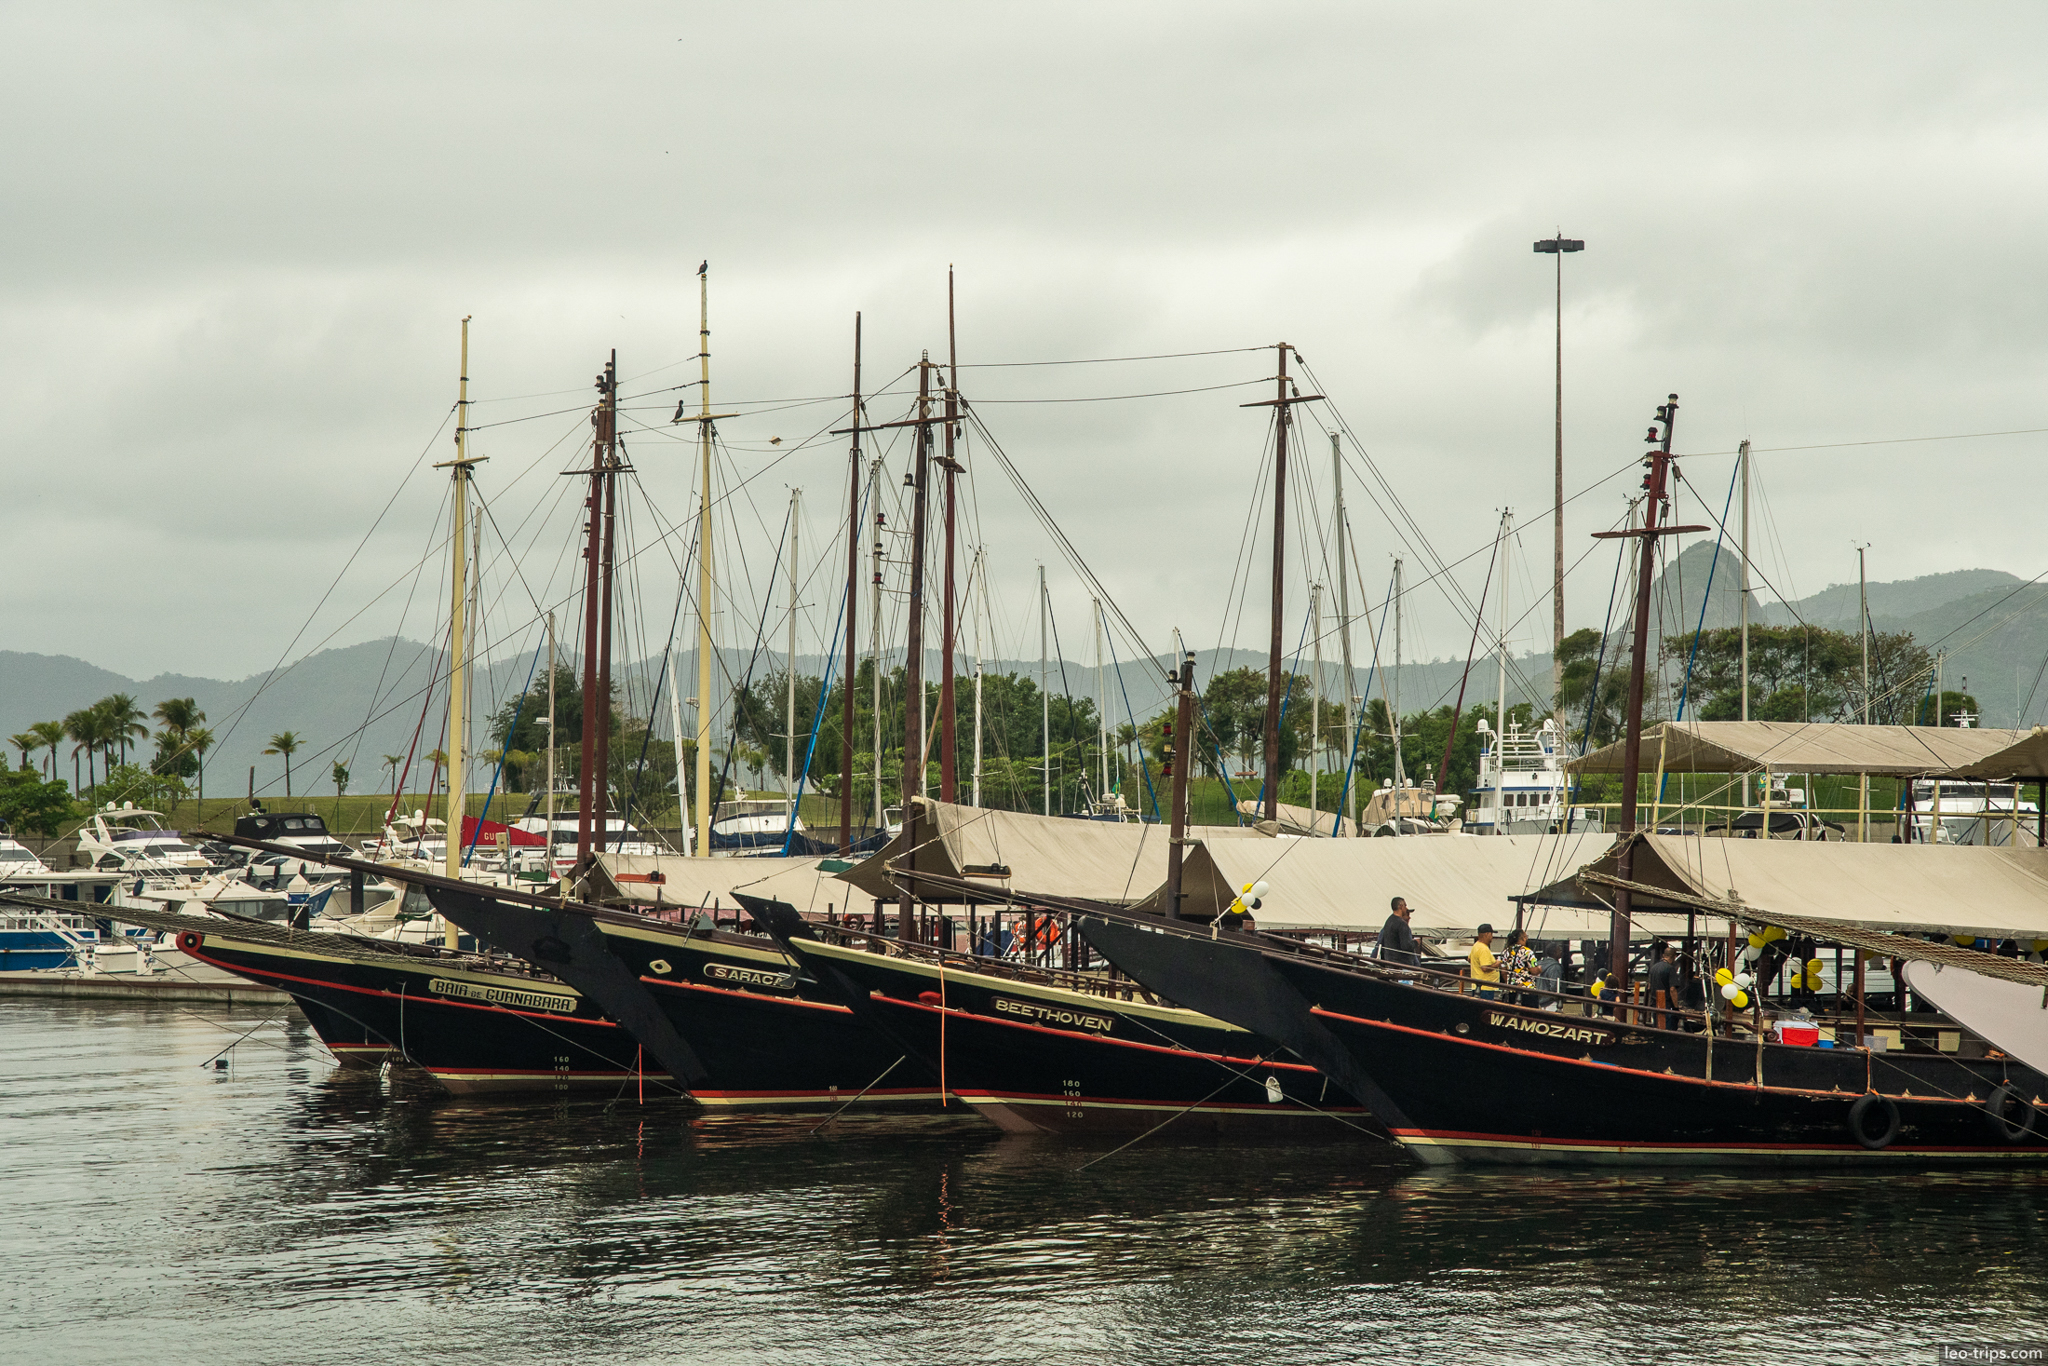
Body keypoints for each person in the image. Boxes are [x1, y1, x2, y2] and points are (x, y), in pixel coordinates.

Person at [1378, 896, 1420, 969]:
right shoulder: (1402, 924)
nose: (1406, 908)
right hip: (1403, 965)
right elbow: (1406, 946)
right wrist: (1416, 942)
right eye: (1405, 905)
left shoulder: (1388, 921)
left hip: (1390, 963)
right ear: (1401, 906)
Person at [1501, 928, 1539, 1006]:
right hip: (1527, 990)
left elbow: (1503, 971)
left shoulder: (1506, 952)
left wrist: (1510, 982)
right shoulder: (1528, 952)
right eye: (1526, 936)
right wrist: (1539, 969)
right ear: (1523, 938)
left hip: (1511, 990)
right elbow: (1534, 971)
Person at [1646, 941, 1679, 1029]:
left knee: (1657, 1027)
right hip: (1666, 1005)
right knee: (1667, 1029)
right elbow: (1672, 989)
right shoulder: (1670, 969)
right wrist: (1676, 1007)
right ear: (1674, 957)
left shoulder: (1653, 968)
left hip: (1654, 1004)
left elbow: (1649, 986)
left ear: (1663, 956)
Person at [1468, 923, 1501, 1000]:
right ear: (1487, 934)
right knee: (1486, 1009)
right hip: (1485, 987)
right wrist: (1497, 964)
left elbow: (1469, 959)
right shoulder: (1483, 949)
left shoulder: (1476, 945)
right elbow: (1485, 968)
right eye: (1491, 934)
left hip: (1477, 986)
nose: (1492, 937)